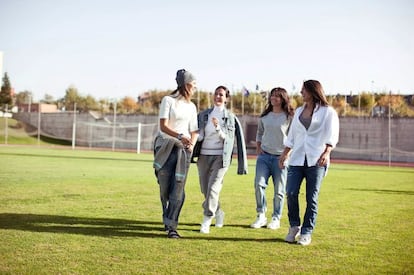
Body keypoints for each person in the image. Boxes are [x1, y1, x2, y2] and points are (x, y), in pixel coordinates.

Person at [279, 80, 339, 246]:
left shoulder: (328, 112)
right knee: (290, 192)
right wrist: (285, 154)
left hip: (316, 160)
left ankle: (306, 232)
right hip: (297, 159)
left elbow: (332, 135)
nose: (300, 93)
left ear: (313, 91)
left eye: (303, 90)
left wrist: (327, 153)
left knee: (311, 198)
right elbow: (292, 136)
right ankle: (294, 226)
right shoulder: (298, 111)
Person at [192, 85, 248, 234]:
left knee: (213, 188)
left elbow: (228, 140)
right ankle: (218, 212)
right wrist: (198, 136)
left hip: (221, 158)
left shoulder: (230, 117)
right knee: (205, 189)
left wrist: (218, 128)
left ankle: (206, 219)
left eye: (221, 95)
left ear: (226, 99)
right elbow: (201, 136)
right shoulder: (203, 115)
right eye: (216, 94)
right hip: (204, 156)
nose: (218, 97)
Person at [153, 69, 199, 239]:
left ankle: (172, 226)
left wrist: (191, 144)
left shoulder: (192, 106)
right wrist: (179, 136)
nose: (195, 88)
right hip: (166, 148)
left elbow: (194, 130)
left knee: (178, 189)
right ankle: (167, 218)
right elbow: (163, 126)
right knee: (165, 188)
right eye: (193, 85)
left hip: (183, 151)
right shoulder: (168, 101)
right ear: (185, 84)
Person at [250, 87, 294, 229]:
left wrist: (286, 155)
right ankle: (261, 215)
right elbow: (259, 133)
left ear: (283, 99)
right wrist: (258, 146)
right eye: (272, 96)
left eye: (277, 96)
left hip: (280, 158)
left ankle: (276, 218)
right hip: (264, 157)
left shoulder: (289, 117)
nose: (274, 98)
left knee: (279, 191)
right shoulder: (265, 116)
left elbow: (294, 138)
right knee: (259, 185)